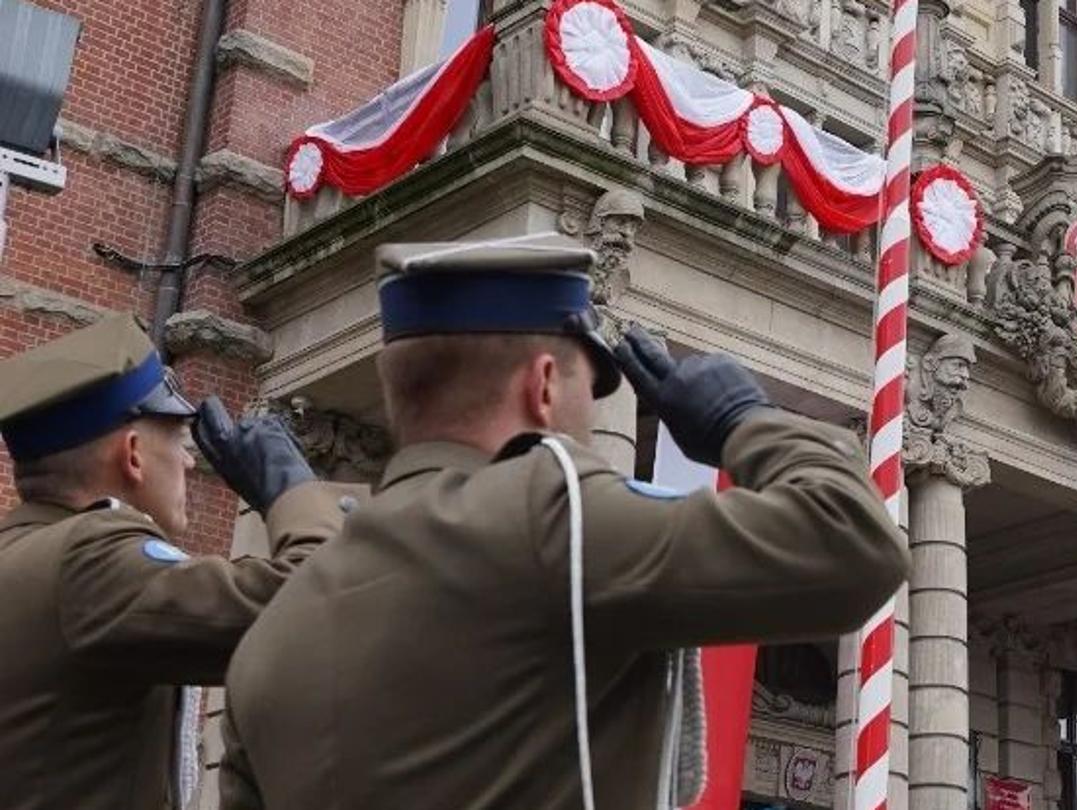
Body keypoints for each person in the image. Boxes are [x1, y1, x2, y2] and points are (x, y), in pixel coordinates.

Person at [220, 234, 909, 809]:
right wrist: (746, 422)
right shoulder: (552, 517)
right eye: (589, 386)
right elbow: (854, 540)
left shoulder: (277, 627)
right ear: (543, 385)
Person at [0, 313, 352, 810]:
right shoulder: (90, 558)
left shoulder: (24, 555)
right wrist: (293, 491)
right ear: (134, 454)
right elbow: (322, 608)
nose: (190, 462)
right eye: (181, 441)